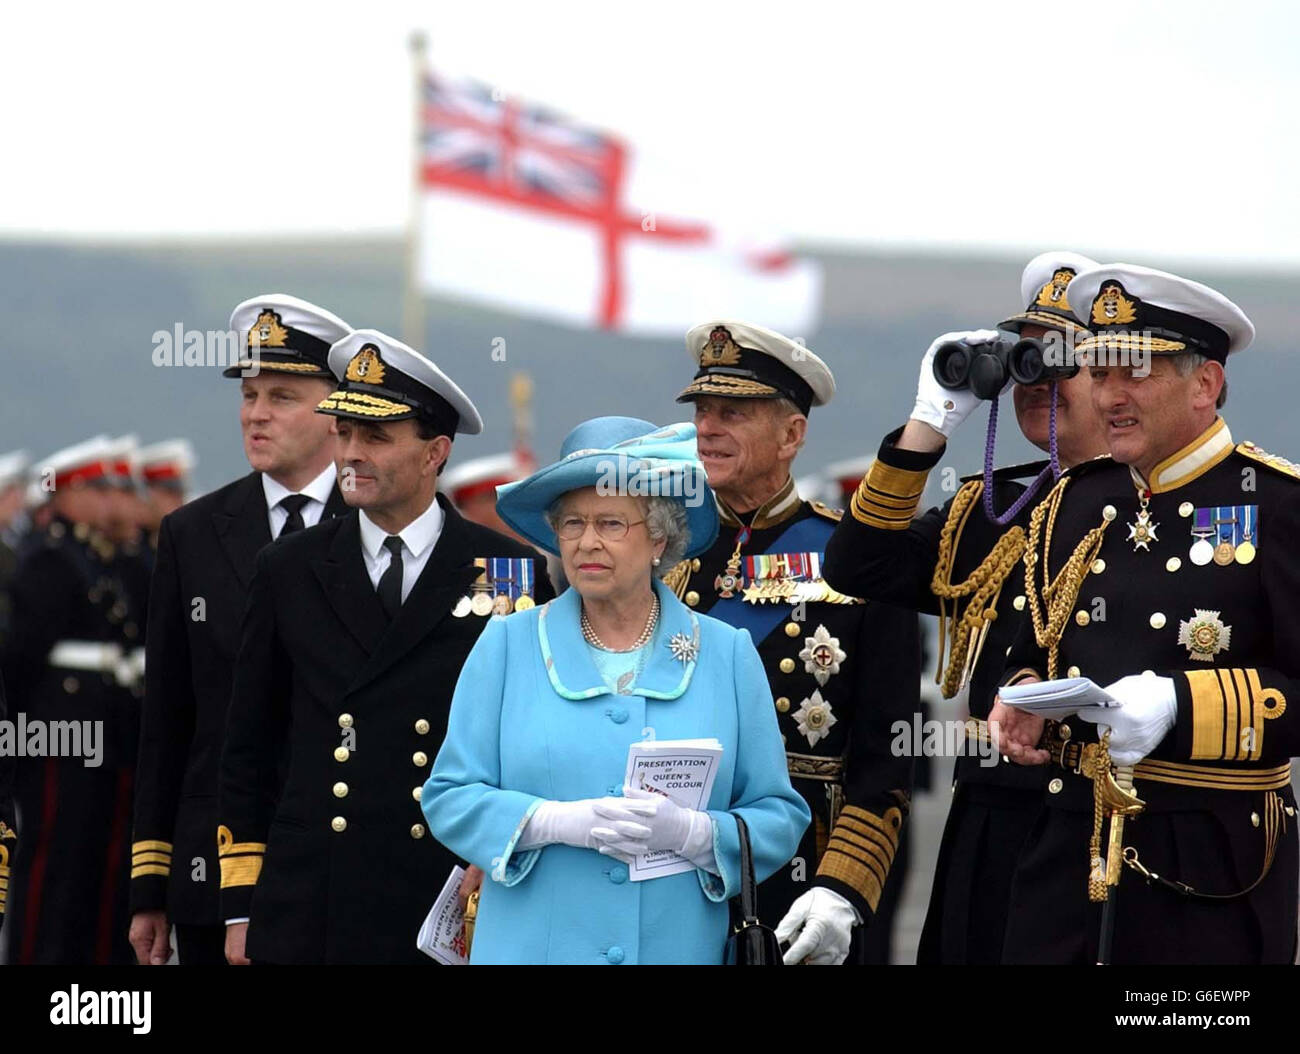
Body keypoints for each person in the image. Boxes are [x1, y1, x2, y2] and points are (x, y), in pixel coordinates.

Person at [992, 262, 1299, 964]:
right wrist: (1022, 696)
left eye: (1135, 373)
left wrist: (1180, 704)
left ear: (1205, 384)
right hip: (1066, 850)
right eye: (1099, 374)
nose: (1110, 396)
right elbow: (1033, 646)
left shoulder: (1278, 506)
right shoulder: (1074, 502)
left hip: (1209, 864)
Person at [218, 328, 554, 964]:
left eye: (376, 436)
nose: (351, 453)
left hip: (443, 886)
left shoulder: (509, 569)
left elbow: (529, 740)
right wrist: (240, 904)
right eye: (344, 433)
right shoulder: (289, 567)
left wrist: (500, 849)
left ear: (435, 453)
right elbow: (249, 747)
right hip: (314, 891)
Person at [423, 417, 809, 964]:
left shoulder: (726, 653)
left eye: (610, 523)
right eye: (572, 523)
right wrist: (550, 822)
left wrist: (697, 833)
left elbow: (779, 815)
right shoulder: (506, 645)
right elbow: (450, 796)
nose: (587, 542)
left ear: (658, 537)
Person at [821, 252, 1109, 963]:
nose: (1037, 381)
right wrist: (930, 422)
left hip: (1106, 821)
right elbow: (860, 564)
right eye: (1025, 362)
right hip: (993, 817)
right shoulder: (994, 510)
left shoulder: (1166, 511)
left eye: (1062, 360)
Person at [669, 320, 920, 964]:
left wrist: (842, 889)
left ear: (792, 434)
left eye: (733, 412)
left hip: (804, 869)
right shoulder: (663, 556)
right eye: (702, 411)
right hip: (670, 863)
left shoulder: (857, 563)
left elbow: (885, 764)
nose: (708, 428)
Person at [129, 295, 353, 966]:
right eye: (250, 394)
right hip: (214, 870)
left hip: (345, 867)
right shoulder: (192, 533)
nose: (255, 413)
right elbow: (167, 717)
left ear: (337, 407)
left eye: (282, 395)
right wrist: (150, 882)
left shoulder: (384, 527)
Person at [1, 437, 144, 963]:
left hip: (105, 731)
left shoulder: (95, 559)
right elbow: (20, 660)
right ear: (64, 495)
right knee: (52, 862)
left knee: (96, 863)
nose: (112, 500)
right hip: (62, 734)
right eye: (99, 488)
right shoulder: (50, 559)